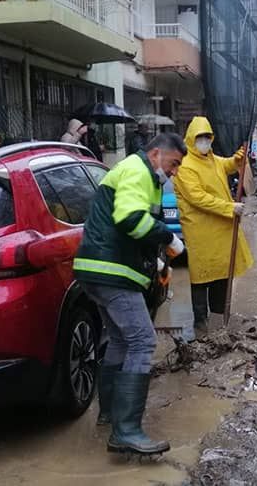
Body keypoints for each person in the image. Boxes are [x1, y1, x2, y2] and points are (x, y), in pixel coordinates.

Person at [73, 133, 187, 456]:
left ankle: (109, 414)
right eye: (174, 163)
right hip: (112, 272)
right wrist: (169, 238)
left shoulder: (142, 175)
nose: (174, 171)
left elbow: (130, 228)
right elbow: (131, 219)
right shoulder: (138, 171)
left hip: (98, 269)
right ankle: (126, 431)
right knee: (143, 340)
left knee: (121, 341)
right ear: (156, 154)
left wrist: (157, 261)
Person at [173, 117, 254, 334]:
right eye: (200, 137)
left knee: (221, 273)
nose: (204, 141)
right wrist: (229, 208)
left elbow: (225, 165)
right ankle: (201, 325)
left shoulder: (211, 158)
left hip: (221, 229)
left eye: (207, 137)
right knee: (201, 276)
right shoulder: (185, 166)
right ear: (191, 139)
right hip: (201, 230)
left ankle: (218, 322)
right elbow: (197, 198)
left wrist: (236, 160)